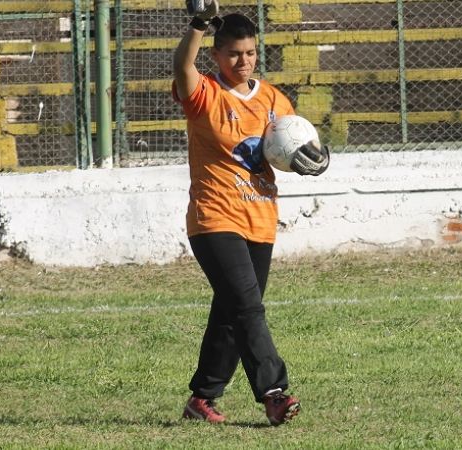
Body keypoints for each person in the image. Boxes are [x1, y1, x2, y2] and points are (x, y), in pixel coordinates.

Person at [172, 0, 329, 426]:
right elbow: (182, 66)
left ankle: (202, 399)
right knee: (246, 307)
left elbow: (292, 148)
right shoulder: (205, 93)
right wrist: (200, 24)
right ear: (216, 55)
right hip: (214, 217)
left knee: (232, 311)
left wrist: (311, 158)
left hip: (259, 218)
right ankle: (274, 393)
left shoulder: (274, 99)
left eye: (251, 53)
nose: (243, 62)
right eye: (234, 54)